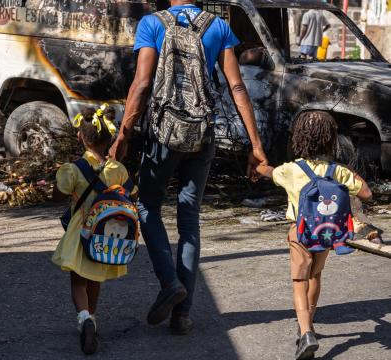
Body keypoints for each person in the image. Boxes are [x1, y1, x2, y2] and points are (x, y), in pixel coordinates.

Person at [109, 0, 267, 335]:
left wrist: (123, 135)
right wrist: (256, 146)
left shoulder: (152, 23)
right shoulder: (218, 26)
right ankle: (182, 314)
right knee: (189, 218)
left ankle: (169, 282)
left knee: (148, 206)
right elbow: (237, 87)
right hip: (202, 132)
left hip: (165, 135)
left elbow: (141, 83)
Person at [256, 111, 372, 359]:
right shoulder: (337, 170)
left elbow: (268, 172)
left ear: (299, 138)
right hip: (326, 235)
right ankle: (308, 322)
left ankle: (306, 332)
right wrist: (348, 172)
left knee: (299, 280)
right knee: (315, 275)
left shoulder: (291, 170)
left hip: (300, 233)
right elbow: (366, 194)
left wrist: (258, 166)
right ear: (331, 140)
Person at [52, 106, 132, 355]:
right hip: (105, 233)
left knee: (78, 282)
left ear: (80, 137)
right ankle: (93, 318)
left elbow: (59, 195)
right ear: (109, 140)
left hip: (81, 232)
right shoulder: (118, 169)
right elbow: (130, 194)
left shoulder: (74, 169)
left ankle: (85, 318)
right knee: (95, 278)